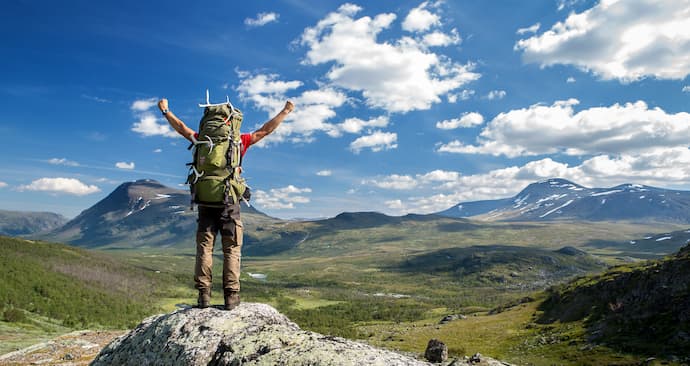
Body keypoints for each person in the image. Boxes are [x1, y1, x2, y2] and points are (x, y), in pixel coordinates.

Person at [158, 97, 294, 310]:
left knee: (204, 248)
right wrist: (285, 111)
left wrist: (166, 111)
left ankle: (203, 296)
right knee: (231, 249)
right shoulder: (239, 142)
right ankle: (231, 297)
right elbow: (265, 130)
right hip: (229, 204)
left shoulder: (202, 140)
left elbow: (182, 128)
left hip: (205, 203)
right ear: (231, 122)